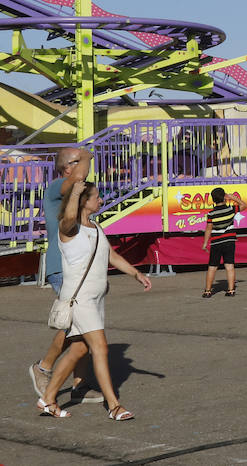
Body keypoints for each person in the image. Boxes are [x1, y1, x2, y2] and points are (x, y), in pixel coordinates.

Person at [37, 180, 153, 420]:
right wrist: (74, 194)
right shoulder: (68, 228)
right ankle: (114, 406)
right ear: (82, 201)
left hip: (95, 300)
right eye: (96, 197)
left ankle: (47, 399)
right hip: (80, 300)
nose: (100, 200)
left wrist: (136, 273)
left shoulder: (96, 227)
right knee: (100, 347)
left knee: (78, 350)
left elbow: (111, 255)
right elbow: (69, 218)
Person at [31, 148, 99, 404]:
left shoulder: (74, 192)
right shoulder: (58, 186)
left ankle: (80, 385)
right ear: (67, 168)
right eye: (77, 162)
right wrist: (86, 155)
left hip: (79, 267)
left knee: (82, 328)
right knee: (77, 324)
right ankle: (44, 367)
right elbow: (80, 177)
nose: (84, 165)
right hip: (62, 266)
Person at [202, 187, 246, 297]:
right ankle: (231, 290)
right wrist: (233, 197)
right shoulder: (231, 209)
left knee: (212, 266)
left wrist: (205, 243)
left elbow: (208, 229)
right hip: (229, 241)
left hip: (216, 242)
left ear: (213, 200)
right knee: (229, 265)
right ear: (224, 197)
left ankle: (207, 291)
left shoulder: (211, 214)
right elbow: (244, 205)